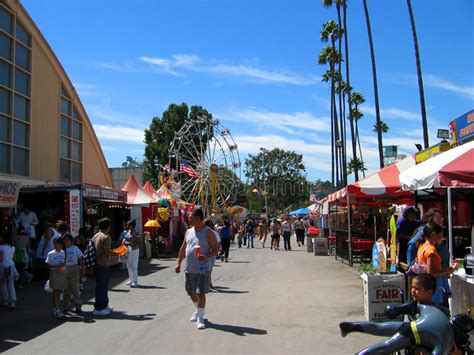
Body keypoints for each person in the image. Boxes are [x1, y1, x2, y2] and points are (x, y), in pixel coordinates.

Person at [175, 209, 219, 330]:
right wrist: (178, 263)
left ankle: (200, 318)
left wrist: (206, 257)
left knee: (201, 293)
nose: (189, 219)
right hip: (189, 268)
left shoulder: (208, 232)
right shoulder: (188, 231)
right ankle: (197, 310)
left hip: (202, 269)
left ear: (198, 218)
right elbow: (183, 248)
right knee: (190, 292)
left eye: (191, 217)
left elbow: (215, 249)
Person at [416, 223, 455, 302]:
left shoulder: (422, 246)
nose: (443, 237)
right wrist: (448, 270)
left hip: (424, 285)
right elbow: (431, 273)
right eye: (441, 235)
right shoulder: (431, 250)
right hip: (433, 288)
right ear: (434, 234)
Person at [92, 218, 118, 316]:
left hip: (97, 263)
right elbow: (107, 251)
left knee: (102, 285)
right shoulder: (106, 237)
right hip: (103, 264)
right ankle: (99, 308)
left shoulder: (96, 235)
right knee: (102, 286)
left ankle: (104, 305)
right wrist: (117, 252)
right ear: (108, 226)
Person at [63, 233, 83, 313]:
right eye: (65, 240)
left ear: (71, 241)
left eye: (67, 239)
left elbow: (80, 258)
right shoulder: (62, 249)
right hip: (65, 269)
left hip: (74, 268)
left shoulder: (75, 248)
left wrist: (82, 267)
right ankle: (66, 305)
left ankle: (78, 306)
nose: (66, 241)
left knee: (75, 288)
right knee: (66, 289)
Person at [46, 237, 66, 319]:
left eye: (61, 244)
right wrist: (56, 266)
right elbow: (48, 264)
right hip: (54, 273)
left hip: (61, 273)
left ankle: (55, 308)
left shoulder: (63, 252)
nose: (59, 245)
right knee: (56, 291)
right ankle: (57, 309)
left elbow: (64, 262)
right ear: (54, 244)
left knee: (58, 292)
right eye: (58, 243)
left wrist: (62, 265)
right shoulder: (50, 253)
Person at [0, 235, 17, 309]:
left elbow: (1, 259)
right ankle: (13, 301)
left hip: (3, 267)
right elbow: (14, 258)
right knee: (11, 284)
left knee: (3, 284)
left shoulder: (1, 247)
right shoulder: (12, 247)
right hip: (11, 266)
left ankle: (5, 300)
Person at [123, 220, 141, 288]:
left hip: (134, 250)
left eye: (128, 225)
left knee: (134, 266)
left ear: (132, 226)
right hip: (128, 250)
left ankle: (135, 282)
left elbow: (139, 242)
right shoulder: (128, 232)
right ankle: (131, 279)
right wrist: (128, 242)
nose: (127, 226)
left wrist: (131, 242)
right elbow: (124, 241)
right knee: (128, 265)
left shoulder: (136, 233)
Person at [204, 220, 220, 290]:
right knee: (209, 270)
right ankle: (208, 284)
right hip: (212, 252)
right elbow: (218, 242)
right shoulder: (214, 232)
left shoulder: (201, 232)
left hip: (203, 252)